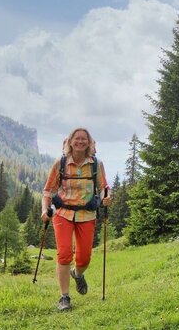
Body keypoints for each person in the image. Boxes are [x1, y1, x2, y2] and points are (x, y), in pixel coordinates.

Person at [41, 127, 111, 311]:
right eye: (77, 139)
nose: (80, 142)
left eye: (84, 139)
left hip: (87, 214)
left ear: (89, 143)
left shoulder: (96, 164)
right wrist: (44, 210)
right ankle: (64, 297)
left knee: (84, 258)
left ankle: (77, 274)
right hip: (62, 213)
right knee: (64, 254)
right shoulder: (60, 163)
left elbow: (103, 187)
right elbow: (48, 191)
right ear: (70, 142)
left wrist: (106, 196)